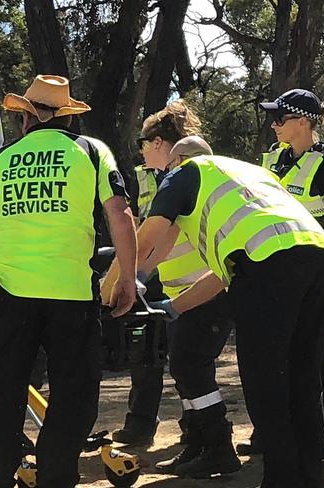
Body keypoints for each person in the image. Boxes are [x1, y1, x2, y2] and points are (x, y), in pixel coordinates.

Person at [111, 139, 324, 488]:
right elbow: (221, 276)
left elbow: (146, 238)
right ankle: (313, 479)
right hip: (319, 254)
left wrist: (108, 287)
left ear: (180, 160)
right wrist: (173, 306)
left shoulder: (184, 174)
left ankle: (280, 480)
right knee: (304, 379)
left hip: (267, 264)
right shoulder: (251, 177)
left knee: (267, 381)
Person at [0, 75, 137, 488]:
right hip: (70, 294)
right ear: (65, 117)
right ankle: (56, 476)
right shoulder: (90, 151)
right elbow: (119, 214)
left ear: (25, 117)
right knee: (73, 395)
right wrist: (128, 278)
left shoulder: (1, 159)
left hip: (11, 294)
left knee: (6, 390)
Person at [103, 135, 241, 478]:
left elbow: (155, 238)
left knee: (191, 367)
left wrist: (124, 278)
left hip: (207, 292)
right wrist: (140, 275)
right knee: (184, 369)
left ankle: (219, 446)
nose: (168, 173)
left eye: (173, 166)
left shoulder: (197, 189)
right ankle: (198, 443)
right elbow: (165, 242)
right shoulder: (190, 196)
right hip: (183, 295)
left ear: (186, 162)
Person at [234, 89, 324, 463]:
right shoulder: (273, 160)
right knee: (275, 353)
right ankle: (271, 433)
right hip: (274, 273)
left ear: (303, 122)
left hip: (316, 273)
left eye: (280, 119)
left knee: (316, 356)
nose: (273, 125)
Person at [110, 100, 202, 447]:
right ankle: (140, 425)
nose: (142, 150)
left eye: (143, 143)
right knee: (145, 354)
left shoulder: (196, 169)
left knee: (188, 361)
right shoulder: (143, 177)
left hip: (194, 280)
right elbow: (133, 224)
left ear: (159, 142)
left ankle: (195, 430)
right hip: (153, 277)